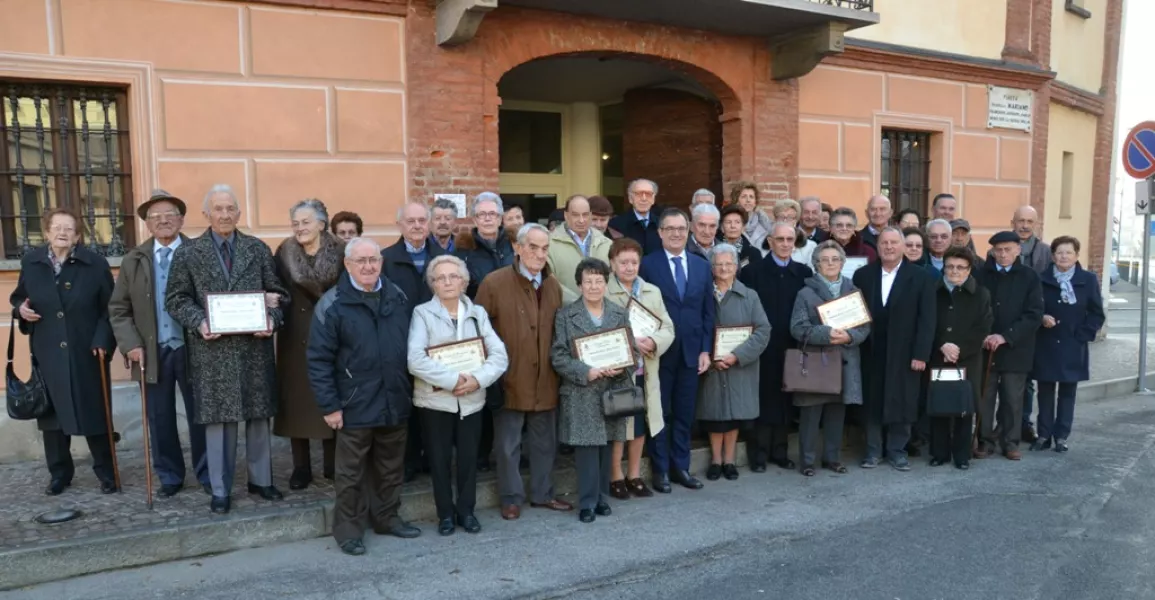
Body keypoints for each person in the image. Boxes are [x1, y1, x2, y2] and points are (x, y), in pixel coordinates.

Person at [165, 184, 289, 513]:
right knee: (219, 421)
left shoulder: (257, 248)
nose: (224, 215)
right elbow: (175, 299)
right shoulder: (188, 253)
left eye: (230, 208)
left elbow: (277, 294)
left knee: (259, 416)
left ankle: (261, 480)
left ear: (239, 213)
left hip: (254, 348)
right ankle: (220, 488)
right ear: (207, 214)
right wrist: (199, 322)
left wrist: (272, 320)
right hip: (211, 351)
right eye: (218, 209)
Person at [307, 237, 422, 556]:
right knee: (350, 473)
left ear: (381, 263)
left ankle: (386, 517)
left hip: (394, 398)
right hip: (354, 402)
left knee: (390, 467)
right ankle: (348, 530)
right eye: (361, 261)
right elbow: (318, 360)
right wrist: (329, 405)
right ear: (347, 265)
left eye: (374, 259)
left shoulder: (396, 296)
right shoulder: (333, 304)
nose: (369, 266)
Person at [110, 190, 209, 498]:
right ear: (147, 224)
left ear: (181, 219)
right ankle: (170, 475)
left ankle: (208, 473)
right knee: (159, 416)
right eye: (156, 217)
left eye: (170, 215)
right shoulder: (134, 260)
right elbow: (118, 309)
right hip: (151, 350)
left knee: (202, 414)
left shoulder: (200, 252)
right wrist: (130, 344)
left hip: (195, 348)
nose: (164, 220)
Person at [12, 207, 117, 495]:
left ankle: (107, 472)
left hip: (88, 352)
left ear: (78, 235)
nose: (62, 232)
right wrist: (21, 310)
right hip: (48, 352)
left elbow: (111, 310)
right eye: (56, 227)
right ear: (46, 232)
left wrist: (102, 342)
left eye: (68, 228)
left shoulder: (94, 264)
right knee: (52, 418)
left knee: (95, 413)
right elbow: (21, 299)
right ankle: (59, 474)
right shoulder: (32, 263)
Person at [475, 223, 573, 519]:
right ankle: (511, 497)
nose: (539, 254)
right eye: (532, 246)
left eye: (544, 248)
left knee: (545, 443)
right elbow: (478, 332)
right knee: (508, 445)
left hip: (546, 377)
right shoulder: (494, 283)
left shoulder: (552, 284)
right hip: (510, 377)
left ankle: (544, 494)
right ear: (517, 248)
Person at [408, 255, 509, 535]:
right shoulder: (422, 314)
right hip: (435, 402)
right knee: (439, 462)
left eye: (453, 276)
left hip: (472, 401)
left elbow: (499, 355)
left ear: (464, 282)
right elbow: (415, 359)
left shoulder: (478, 313)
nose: (448, 282)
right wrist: (454, 380)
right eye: (440, 278)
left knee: (468, 461)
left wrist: (477, 380)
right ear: (432, 284)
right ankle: (445, 515)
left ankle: (466, 512)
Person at [551, 258, 635, 523]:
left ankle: (601, 498)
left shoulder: (619, 313)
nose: (594, 286)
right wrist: (586, 371)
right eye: (588, 281)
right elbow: (559, 356)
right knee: (587, 449)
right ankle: (587, 502)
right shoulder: (565, 315)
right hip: (582, 390)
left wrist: (620, 368)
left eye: (599, 280)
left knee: (606, 447)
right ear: (579, 284)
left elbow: (630, 352)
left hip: (611, 389)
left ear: (606, 284)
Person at [640, 209, 715, 492]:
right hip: (658, 353)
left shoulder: (701, 265)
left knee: (684, 413)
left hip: (692, 353)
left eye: (681, 228)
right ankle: (661, 471)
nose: (676, 233)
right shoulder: (648, 264)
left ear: (689, 231)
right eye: (669, 228)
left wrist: (706, 350)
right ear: (659, 232)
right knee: (661, 413)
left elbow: (708, 312)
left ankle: (680, 467)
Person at [273, 199, 345, 490]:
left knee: (331, 394)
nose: (299, 228)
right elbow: (275, 285)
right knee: (296, 401)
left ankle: (332, 463)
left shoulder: (341, 251)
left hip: (333, 332)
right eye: (295, 223)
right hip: (295, 334)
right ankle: (300, 467)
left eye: (305, 222)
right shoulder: (285, 251)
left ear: (321, 224)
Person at [853, 227, 935, 471]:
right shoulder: (863, 276)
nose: (889, 247)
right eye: (884, 243)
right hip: (871, 349)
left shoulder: (922, 278)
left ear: (903, 246)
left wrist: (921, 354)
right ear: (877, 247)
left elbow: (927, 320)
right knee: (872, 401)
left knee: (903, 400)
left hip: (906, 351)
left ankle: (897, 451)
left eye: (893, 243)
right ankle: (872, 451)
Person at [789, 241, 869, 476]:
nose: (831, 263)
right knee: (811, 414)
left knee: (837, 413)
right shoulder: (805, 293)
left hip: (845, 359)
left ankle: (832, 458)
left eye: (835, 259)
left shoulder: (853, 291)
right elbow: (797, 327)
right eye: (825, 260)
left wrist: (849, 336)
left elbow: (864, 328)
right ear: (816, 265)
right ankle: (807, 461)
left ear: (843, 263)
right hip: (817, 361)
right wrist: (826, 334)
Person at [740, 222, 812, 472]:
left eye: (789, 239)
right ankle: (758, 455)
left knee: (785, 398)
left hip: (791, 345)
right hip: (762, 346)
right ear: (769, 241)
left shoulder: (803, 273)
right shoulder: (753, 272)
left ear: (795, 242)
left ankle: (780, 452)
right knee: (762, 399)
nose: (784, 244)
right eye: (779, 239)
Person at [383, 201, 447, 481]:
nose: (418, 226)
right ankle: (407, 461)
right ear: (400, 225)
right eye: (411, 221)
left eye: (422, 220)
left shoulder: (443, 259)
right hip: (400, 343)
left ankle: (434, 460)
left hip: (438, 343)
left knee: (434, 405)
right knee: (405, 404)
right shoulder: (385, 259)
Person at [604, 238, 673, 498]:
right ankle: (615, 476)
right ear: (612, 263)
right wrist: (631, 343)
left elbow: (667, 327)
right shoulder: (605, 290)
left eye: (634, 262)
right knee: (620, 425)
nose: (629, 267)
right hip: (617, 371)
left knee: (640, 425)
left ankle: (634, 474)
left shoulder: (651, 291)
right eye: (623, 262)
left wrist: (653, 341)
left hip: (646, 369)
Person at [697, 244, 771, 480]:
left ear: (737, 266)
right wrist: (709, 354)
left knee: (733, 414)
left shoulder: (750, 295)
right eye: (718, 264)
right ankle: (716, 461)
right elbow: (696, 328)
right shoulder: (702, 294)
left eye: (729, 264)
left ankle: (730, 460)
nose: (724, 268)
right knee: (715, 414)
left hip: (739, 364)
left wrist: (737, 355)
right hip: (711, 364)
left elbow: (763, 330)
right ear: (711, 268)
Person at [1031, 236, 1104, 453]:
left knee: (1068, 393)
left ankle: (1061, 436)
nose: (1064, 256)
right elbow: (1032, 308)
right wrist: (1042, 318)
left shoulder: (1088, 279)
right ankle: (1043, 434)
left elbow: (1096, 313)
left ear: (1076, 255)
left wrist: (1082, 334)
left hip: (1073, 344)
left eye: (1068, 252)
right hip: (1046, 344)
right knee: (1044, 392)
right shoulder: (1041, 279)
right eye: (1059, 253)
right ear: (1052, 256)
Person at [975, 231, 1044, 461]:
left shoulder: (1029, 277)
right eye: (999, 250)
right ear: (992, 251)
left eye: (1008, 250)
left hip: (1016, 348)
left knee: (1013, 399)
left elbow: (1034, 314)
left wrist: (1006, 336)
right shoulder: (981, 274)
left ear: (1018, 250)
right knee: (985, 396)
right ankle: (984, 441)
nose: (1003, 255)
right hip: (986, 348)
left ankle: (1011, 442)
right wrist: (985, 335)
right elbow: (974, 310)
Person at [928, 247, 992, 470]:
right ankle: (939, 453)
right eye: (950, 266)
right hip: (938, 356)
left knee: (965, 407)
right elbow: (926, 324)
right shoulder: (932, 292)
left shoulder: (981, 294)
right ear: (943, 268)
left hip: (968, 359)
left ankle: (962, 455)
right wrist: (941, 345)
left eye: (960, 267)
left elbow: (983, 327)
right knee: (939, 406)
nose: (954, 271)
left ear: (969, 270)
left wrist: (959, 349)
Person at [548, 195, 612, 303]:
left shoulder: (607, 244)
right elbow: (549, 281)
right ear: (566, 215)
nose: (581, 220)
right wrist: (577, 303)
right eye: (575, 215)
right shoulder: (549, 243)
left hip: (601, 312)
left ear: (590, 215)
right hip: (564, 312)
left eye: (585, 215)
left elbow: (614, 280)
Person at [456, 192, 515, 300]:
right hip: (479, 312)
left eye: (492, 214)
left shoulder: (515, 245)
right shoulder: (463, 252)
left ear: (500, 219)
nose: (487, 219)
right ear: (475, 220)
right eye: (482, 214)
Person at [608, 179, 664, 255]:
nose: (644, 198)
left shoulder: (662, 224)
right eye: (638, 194)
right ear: (630, 199)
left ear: (653, 199)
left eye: (648, 194)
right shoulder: (616, 225)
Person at [730, 181, 772, 253]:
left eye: (751, 197)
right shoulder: (730, 224)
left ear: (755, 202)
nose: (748, 200)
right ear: (736, 200)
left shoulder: (765, 225)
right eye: (744, 197)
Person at [773, 199, 817, 266]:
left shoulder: (810, 247)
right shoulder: (766, 245)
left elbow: (812, 273)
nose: (785, 221)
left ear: (796, 221)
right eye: (781, 217)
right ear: (775, 220)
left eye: (790, 217)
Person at [718, 205, 763, 270]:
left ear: (743, 227)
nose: (733, 226)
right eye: (728, 222)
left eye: (737, 222)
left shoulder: (754, 254)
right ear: (722, 227)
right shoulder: (713, 250)